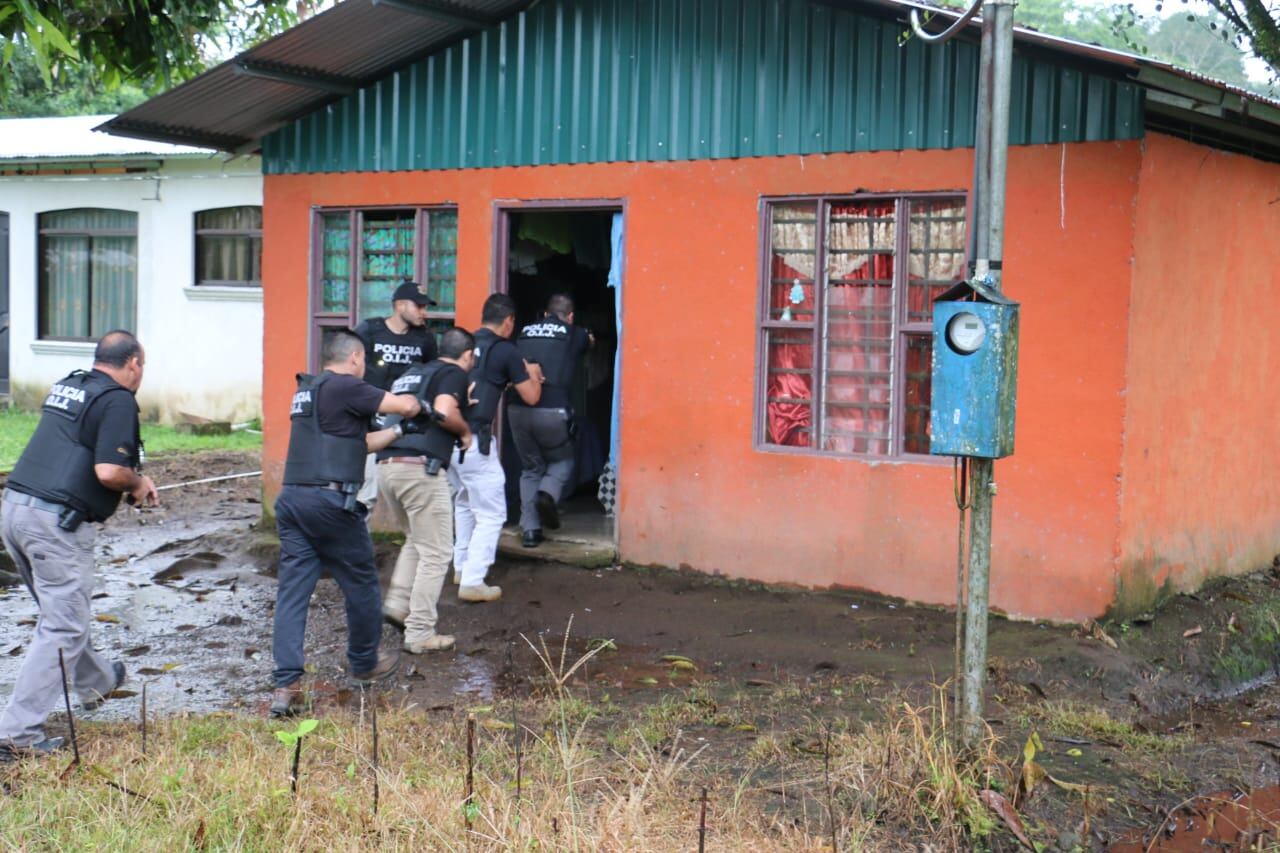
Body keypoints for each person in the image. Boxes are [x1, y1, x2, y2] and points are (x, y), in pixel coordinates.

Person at [0, 331, 158, 761]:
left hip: (15, 509)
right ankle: (18, 735)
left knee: (61, 612)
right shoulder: (118, 399)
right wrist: (139, 481)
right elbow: (108, 470)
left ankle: (97, 681)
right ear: (135, 364)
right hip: (55, 522)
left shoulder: (71, 385)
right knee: (64, 624)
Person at [270, 329, 424, 717]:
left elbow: (360, 443)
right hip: (329, 503)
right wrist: (419, 408)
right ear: (355, 358)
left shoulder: (311, 391)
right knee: (361, 583)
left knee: (292, 594)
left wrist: (399, 432)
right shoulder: (344, 386)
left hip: (292, 501)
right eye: (364, 361)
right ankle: (363, 663)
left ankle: (285, 686)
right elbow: (401, 404)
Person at [378, 328, 476, 651]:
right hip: (420, 469)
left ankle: (397, 604)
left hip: (388, 466)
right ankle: (419, 633)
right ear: (467, 356)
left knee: (417, 541)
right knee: (437, 552)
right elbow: (445, 412)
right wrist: (464, 431)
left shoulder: (412, 373)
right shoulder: (453, 373)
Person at [447, 294, 544, 601]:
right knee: (491, 514)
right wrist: (532, 372)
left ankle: (461, 567)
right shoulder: (505, 350)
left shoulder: (464, 344)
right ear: (509, 321)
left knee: (463, 503)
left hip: (448, 439)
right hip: (474, 439)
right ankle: (473, 581)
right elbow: (531, 397)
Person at [508, 293, 591, 548]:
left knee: (531, 468)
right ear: (570, 316)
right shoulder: (573, 332)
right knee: (562, 461)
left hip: (517, 409)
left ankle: (530, 530)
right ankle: (547, 494)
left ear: (544, 314)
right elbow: (588, 343)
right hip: (554, 411)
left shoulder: (524, 331)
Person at [352, 281, 439, 511]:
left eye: (425, 307)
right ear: (400, 306)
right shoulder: (369, 331)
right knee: (363, 495)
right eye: (419, 306)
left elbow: (433, 376)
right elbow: (349, 368)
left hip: (407, 423)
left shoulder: (425, 339)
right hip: (369, 422)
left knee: (415, 494)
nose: (424, 312)